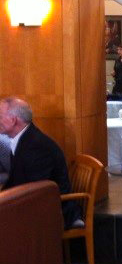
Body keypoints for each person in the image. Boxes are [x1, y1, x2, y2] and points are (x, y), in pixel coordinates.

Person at [0, 97, 82, 229]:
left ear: (13, 120)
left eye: (0, 116)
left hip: (53, 211)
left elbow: (35, 190)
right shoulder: (23, 138)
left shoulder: (36, 146)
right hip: (35, 203)